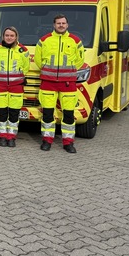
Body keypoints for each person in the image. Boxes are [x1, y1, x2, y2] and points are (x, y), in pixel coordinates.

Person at [34, 14, 85, 153]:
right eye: (58, 23)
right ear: (54, 25)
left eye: (63, 23)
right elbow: (38, 59)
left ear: (67, 25)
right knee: (47, 114)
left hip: (68, 83)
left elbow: (80, 59)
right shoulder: (44, 40)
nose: (61, 25)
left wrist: (70, 70)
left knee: (68, 114)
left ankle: (68, 142)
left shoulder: (75, 41)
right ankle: (47, 140)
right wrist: (45, 68)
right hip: (48, 82)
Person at [0, 26, 30, 147]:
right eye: (7, 35)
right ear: (3, 36)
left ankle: (11, 137)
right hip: (0, 85)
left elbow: (26, 67)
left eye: (12, 35)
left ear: (16, 37)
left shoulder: (23, 50)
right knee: (1, 113)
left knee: (14, 113)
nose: (9, 37)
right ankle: (2, 136)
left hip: (16, 86)